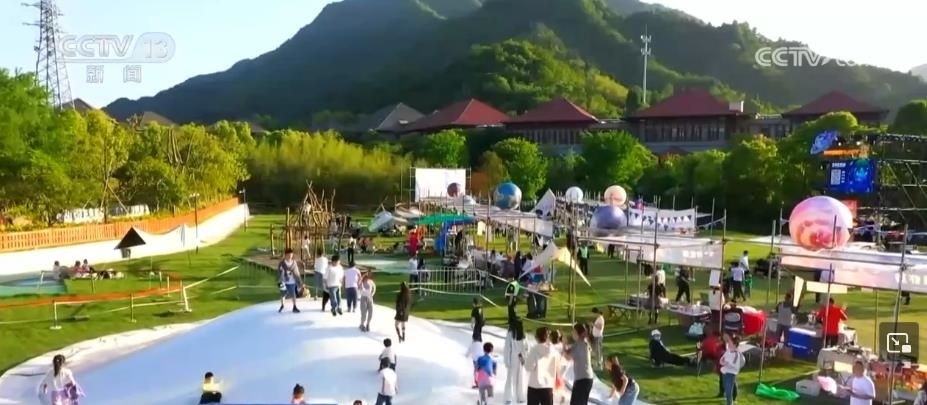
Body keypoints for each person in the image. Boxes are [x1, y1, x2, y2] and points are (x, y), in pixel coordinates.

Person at [525, 327, 560, 405]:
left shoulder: (534, 350)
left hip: (534, 386)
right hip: (548, 386)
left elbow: (529, 367)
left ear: (536, 337)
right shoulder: (553, 350)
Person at [564, 323, 595, 405]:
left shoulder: (579, 344)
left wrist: (564, 343)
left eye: (573, 331)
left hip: (582, 379)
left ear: (578, 333)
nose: (572, 333)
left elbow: (567, 357)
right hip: (587, 378)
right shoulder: (584, 343)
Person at [503, 318, 528, 404]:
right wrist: (524, 358)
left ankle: (508, 397)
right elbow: (526, 348)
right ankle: (520, 396)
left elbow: (507, 348)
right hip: (521, 359)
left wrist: (506, 361)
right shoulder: (523, 335)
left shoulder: (511, 334)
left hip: (513, 358)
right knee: (520, 378)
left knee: (510, 378)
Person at [720, 335, 746, 405]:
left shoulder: (737, 354)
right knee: (725, 387)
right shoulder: (728, 351)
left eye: (730, 342)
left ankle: (730, 402)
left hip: (731, 374)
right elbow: (722, 358)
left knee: (729, 389)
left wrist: (726, 363)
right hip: (724, 372)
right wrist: (722, 361)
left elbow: (733, 364)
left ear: (734, 345)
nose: (728, 343)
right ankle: (729, 399)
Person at [278, 248, 302, 313]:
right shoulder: (282, 263)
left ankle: (294, 307)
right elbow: (279, 272)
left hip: (292, 281)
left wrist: (299, 282)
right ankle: (282, 305)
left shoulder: (294, 263)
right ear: (285, 255)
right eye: (288, 255)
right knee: (282, 294)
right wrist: (282, 272)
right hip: (283, 281)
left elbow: (297, 272)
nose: (290, 256)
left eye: (291, 255)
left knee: (293, 294)